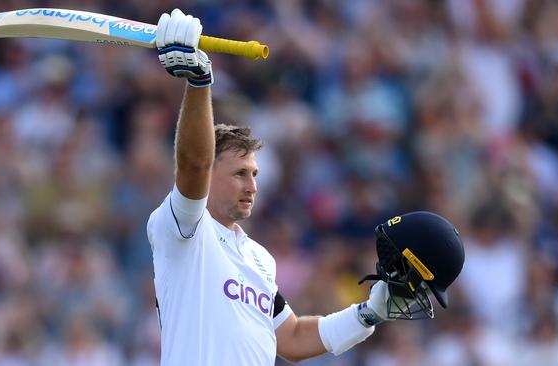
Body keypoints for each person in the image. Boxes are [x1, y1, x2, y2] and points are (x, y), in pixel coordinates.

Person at [146, 9, 465, 365]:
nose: (252, 185)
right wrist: (198, 81)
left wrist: (370, 313)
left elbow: (294, 338)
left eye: (255, 174)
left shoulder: (258, 259)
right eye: (239, 173)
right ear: (210, 174)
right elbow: (193, 163)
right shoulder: (183, 229)